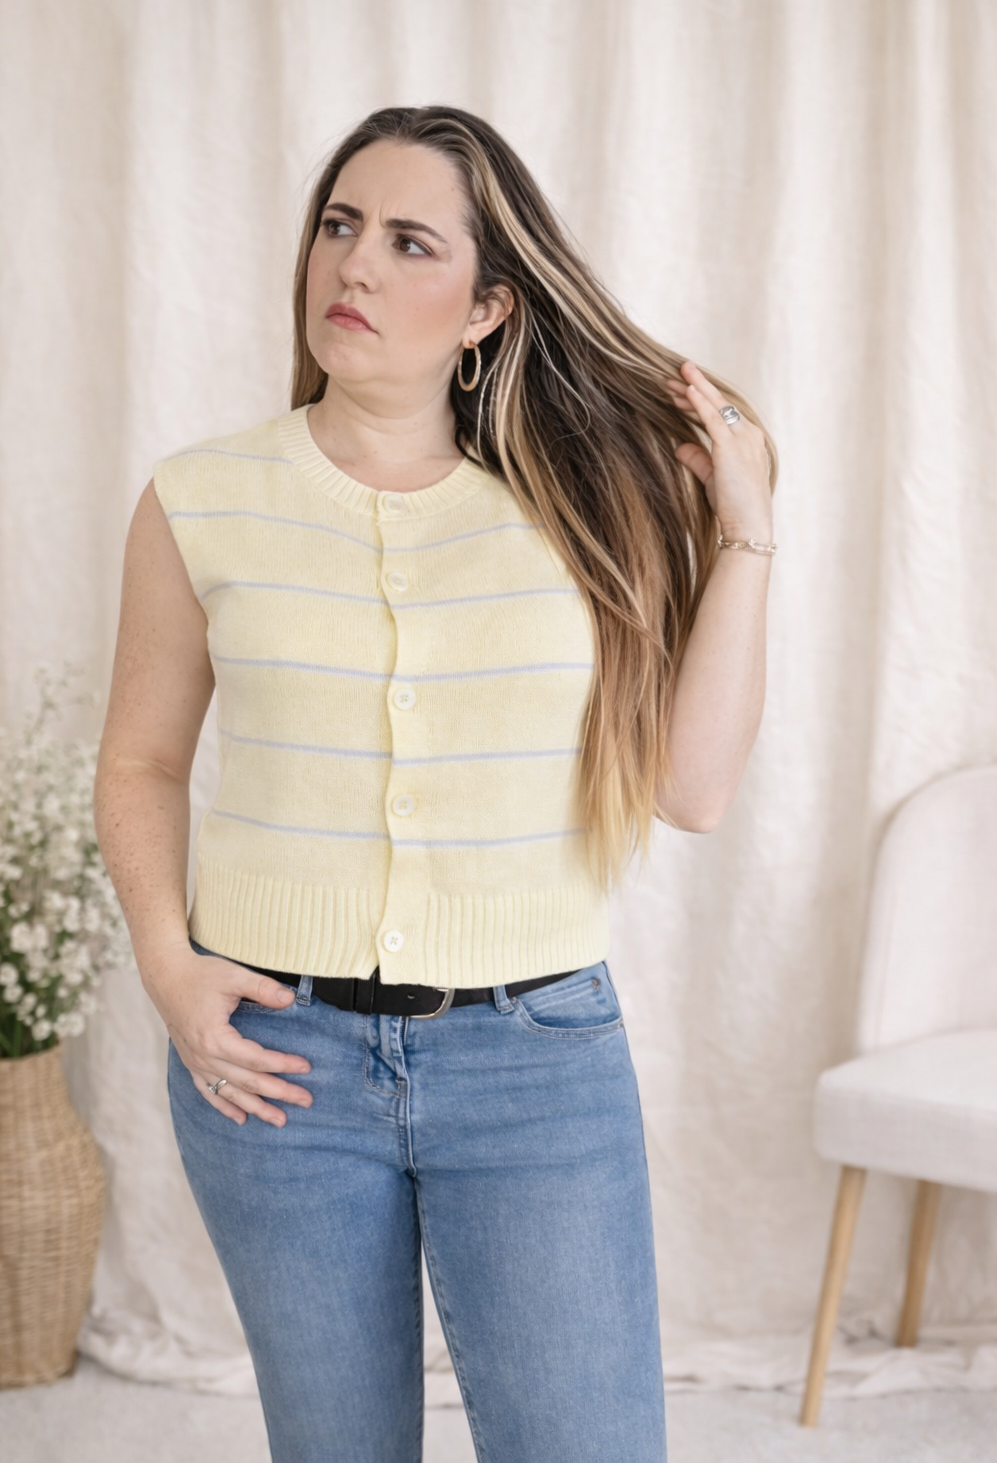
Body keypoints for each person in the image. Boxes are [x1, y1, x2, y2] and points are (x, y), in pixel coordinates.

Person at [94, 104, 777, 1463]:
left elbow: (694, 791)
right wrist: (169, 967)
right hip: (274, 1062)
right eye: (340, 227)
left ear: (487, 308)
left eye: (410, 242)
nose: (354, 266)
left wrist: (748, 532)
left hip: (535, 1063)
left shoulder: (587, 505)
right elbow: (143, 761)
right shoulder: (201, 498)